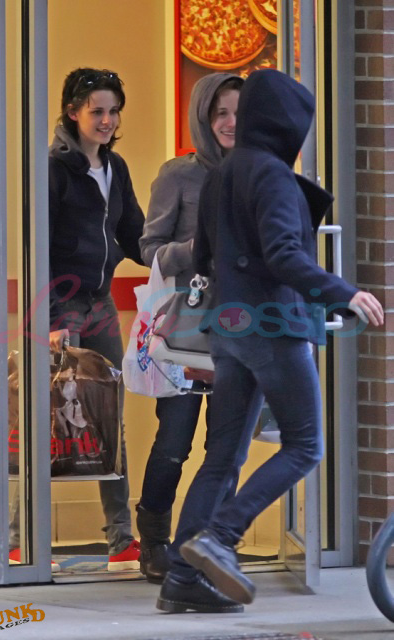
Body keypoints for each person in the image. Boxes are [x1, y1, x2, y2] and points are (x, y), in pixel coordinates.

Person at [156, 69, 384, 612]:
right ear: (288, 124)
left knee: (222, 456)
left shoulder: (222, 173)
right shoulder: (274, 175)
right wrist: (344, 292)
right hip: (272, 326)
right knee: (305, 445)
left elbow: (203, 256)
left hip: (228, 327)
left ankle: (182, 577)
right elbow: (284, 254)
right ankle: (222, 536)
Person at [9, 68, 145, 572]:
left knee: (109, 415)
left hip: (101, 303)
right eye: (97, 111)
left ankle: (121, 542)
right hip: (59, 305)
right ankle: (22, 541)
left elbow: (133, 233)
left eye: (113, 111)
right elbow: (39, 247)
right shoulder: (53, 169)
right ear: (73, 112)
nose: (107, 121)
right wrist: (52, 318)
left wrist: (174, 256)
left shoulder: (116, 167)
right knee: (45, 419)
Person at [137, 73, 244, 584]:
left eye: (239, 113)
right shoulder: (178, 174)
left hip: (243, 327)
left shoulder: (258, 173)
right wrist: (197, 249)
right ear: (203, 117)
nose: (231, 122)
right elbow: (149, 249)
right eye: (220, 113)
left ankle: (211, 545)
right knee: (174, 442)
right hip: (187, 326)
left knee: (227, 447)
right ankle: (153, 539)